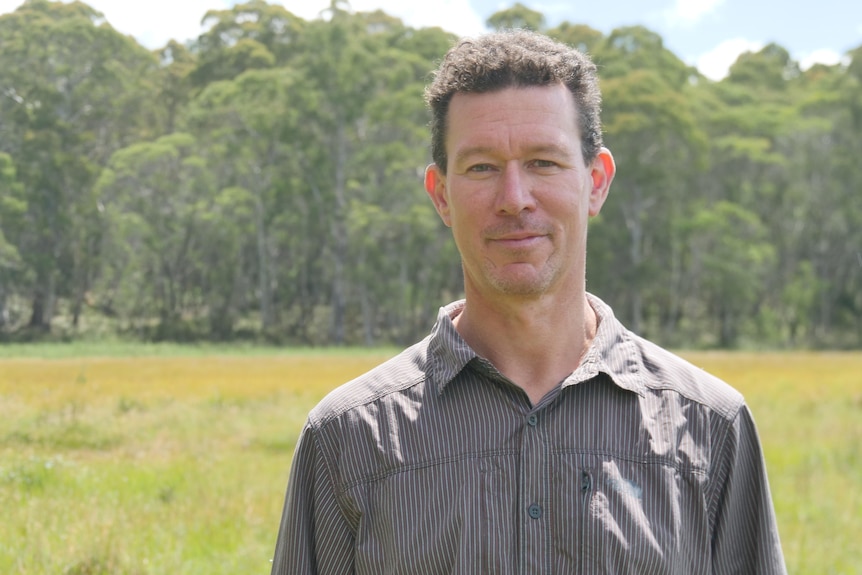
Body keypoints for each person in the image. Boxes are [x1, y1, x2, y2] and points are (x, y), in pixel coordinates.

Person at [270, 29, 787, 574]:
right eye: (482, 168)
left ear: (596, 181)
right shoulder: (347, 438)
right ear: (441, 195)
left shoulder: (709, 427)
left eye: (543, 162)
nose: (514, 199)